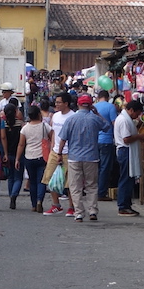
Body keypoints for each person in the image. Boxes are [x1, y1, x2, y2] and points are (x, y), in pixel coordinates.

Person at [58, 92, 108, 222]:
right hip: (92, 157)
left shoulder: (71, 119)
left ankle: (79, 213)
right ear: (90, 105)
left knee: (75, 186)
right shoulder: (95, 118)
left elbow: (63, 139)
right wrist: (97, 113)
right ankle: (92, 211)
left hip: (74, 157)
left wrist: (59, 154)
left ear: (78, 104)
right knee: (92, 185)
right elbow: (107, 127)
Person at [113, 99, 144, 216]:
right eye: (137, 113)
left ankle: (126, 204)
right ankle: (123, 206)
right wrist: (139, 136)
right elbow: (126, 139)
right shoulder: (123, 120)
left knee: (128, 178)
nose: (137, 116)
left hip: (126, 151)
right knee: (126, 178)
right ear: (131, 110)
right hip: (125, 151)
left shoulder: (126, 119)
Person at [43, 93, 73, 216]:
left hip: (69, 153)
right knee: (49, 178)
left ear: (66, 103)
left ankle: (72, 207)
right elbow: (53, 133)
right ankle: (56, 205)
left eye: (59, 102)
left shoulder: (73, 116)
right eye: (56, 102)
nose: (56, 104)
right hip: (55, 152)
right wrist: (52, 149)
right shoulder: (55, 116)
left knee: (70, 182)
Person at [16, 106, 48, 212]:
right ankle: (39, 200)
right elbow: (52, 137)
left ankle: (34, 204)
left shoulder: (25, 128)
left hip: (29, 157)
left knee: (32, 181)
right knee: (41, 181)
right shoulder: (45, 126)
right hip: (42, 156)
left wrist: (17, 159)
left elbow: (21, 144)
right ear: (39, 114)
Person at [2, 104, 25, 209]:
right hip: (19, 154)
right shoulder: (21, 124)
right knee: (18, 178)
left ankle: (11, 194)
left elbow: (2, 138)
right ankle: (14, 195)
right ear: (16, 112)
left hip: (8, 153)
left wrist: (5, 153)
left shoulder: (3, 125)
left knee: (10, 177)